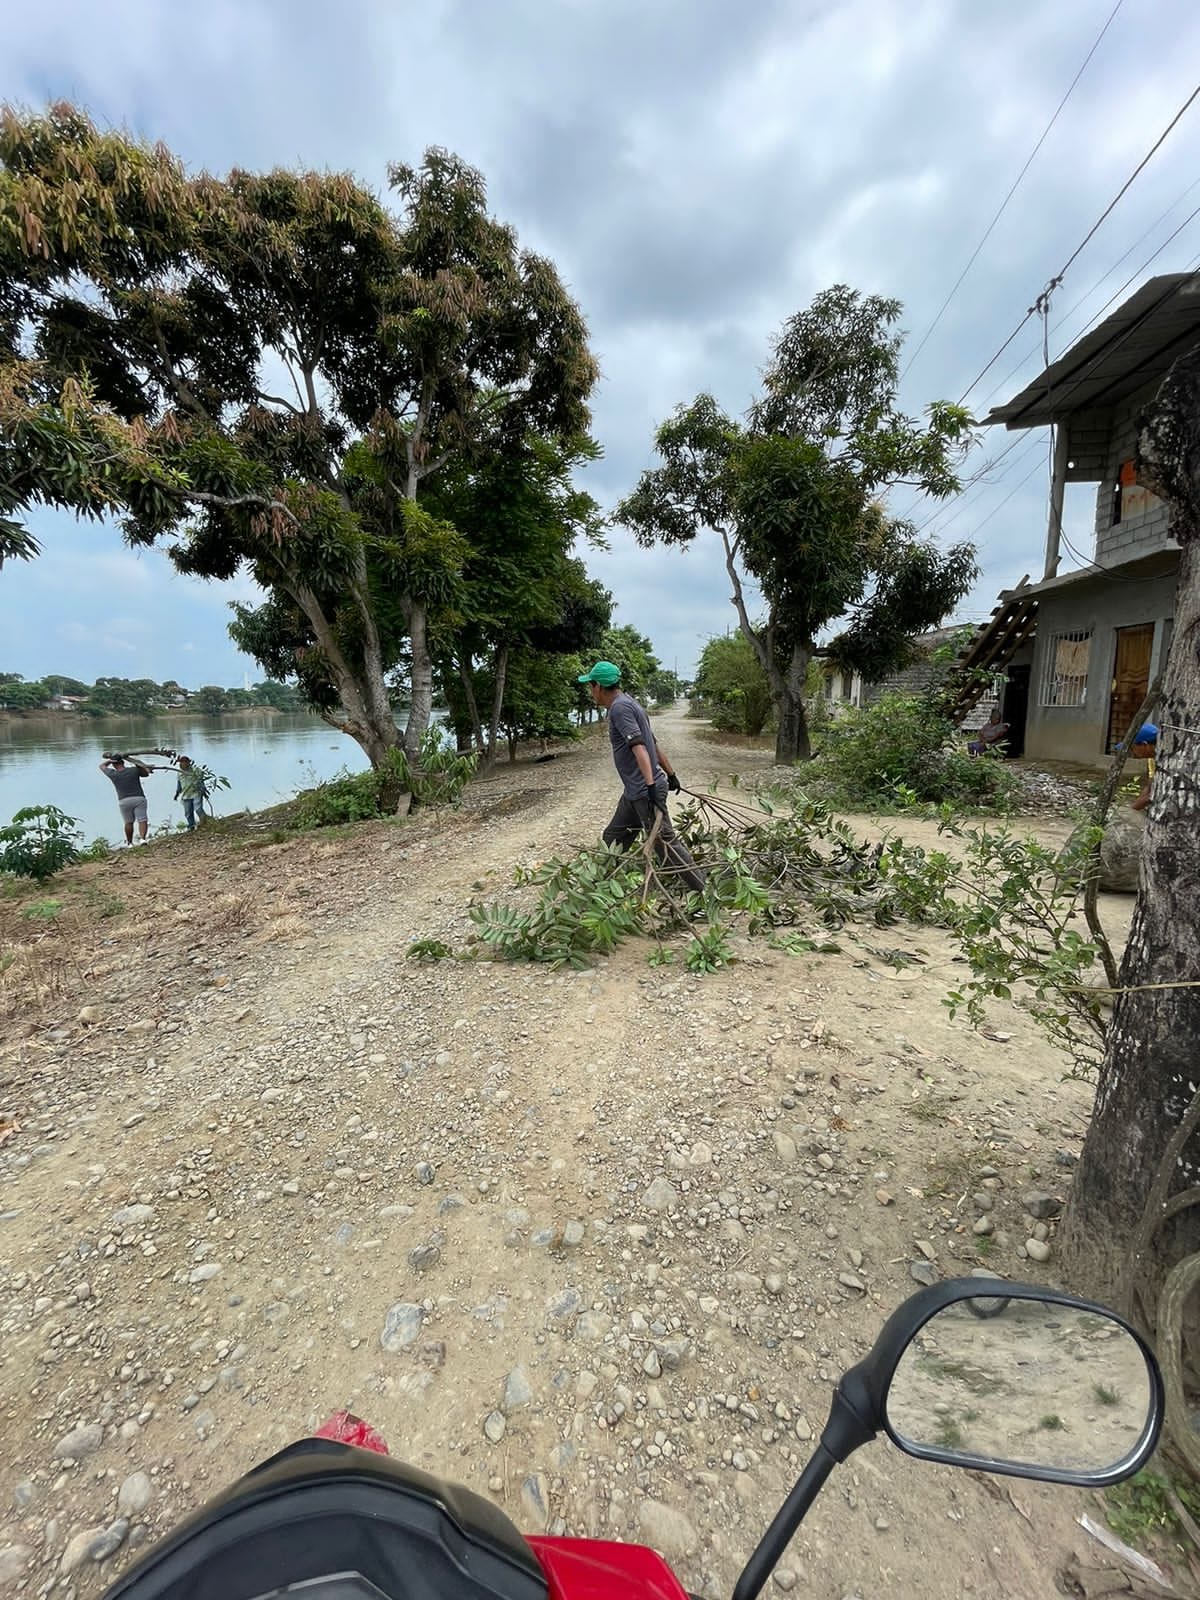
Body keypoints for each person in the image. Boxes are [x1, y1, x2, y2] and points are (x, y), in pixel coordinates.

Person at [576, 660, 706, 895]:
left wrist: (651, 785)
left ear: (598, 686)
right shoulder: (630, 703)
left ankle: (701, 889)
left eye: (590, 686)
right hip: (635, 791)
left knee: (664, 842)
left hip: (644, 790)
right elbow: (652, 743)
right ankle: (599, 888)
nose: (590, 691)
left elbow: (640, 747)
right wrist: (671, 774)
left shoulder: (619, 709)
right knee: (614, 837)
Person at [99, 754, 152, 845]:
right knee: (142, 819)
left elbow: (102, 766)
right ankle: (142, 839)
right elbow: (146, 774)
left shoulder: (113, 774)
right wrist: (136, 763)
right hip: (139, 798)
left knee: (128, 822)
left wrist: (110, 761)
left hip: (124, 801)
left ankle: (130, 843)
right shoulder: (133, 770)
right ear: (123, 762)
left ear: (114, 765)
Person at [173, 755, 209, 832]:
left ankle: (204, 823)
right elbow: (179, 784)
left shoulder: (196, 770)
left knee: (198, 809)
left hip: (196, 792)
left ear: (188, 763)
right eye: (181, 763)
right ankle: (191, 826)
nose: (182, 764)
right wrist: (177, 794)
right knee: (188, 812)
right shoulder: (179, 773)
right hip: (186, 795)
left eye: (184, 762)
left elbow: (201, 782)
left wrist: (204, 791)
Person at [1128, 722, 1157, 812]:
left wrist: (1129, 812)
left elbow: (1151, 794)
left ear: (1145, 745)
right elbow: (1150, 787)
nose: (1132, 752)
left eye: (1133, 748)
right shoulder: (1151, 759)